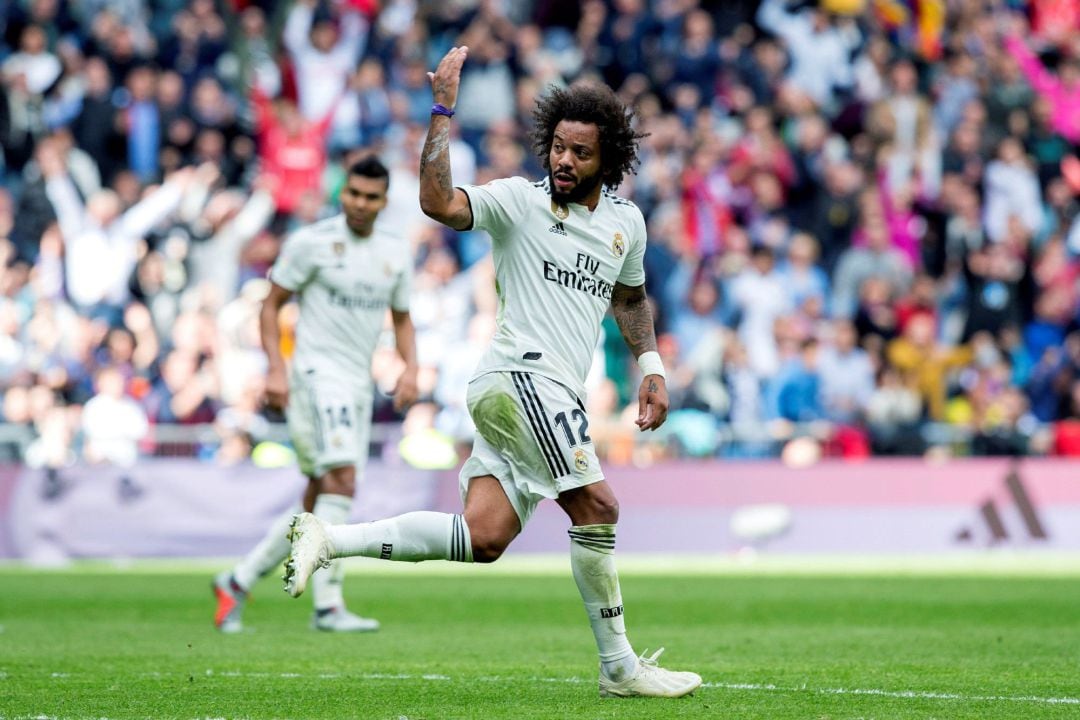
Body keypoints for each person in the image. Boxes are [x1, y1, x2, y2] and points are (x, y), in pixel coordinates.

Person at [284, 47, 701, 698]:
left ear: (609, 159)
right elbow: (438, 203)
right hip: (518, 378)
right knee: (598, 506)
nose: (564, 161)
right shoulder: (518, 203)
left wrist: (650, 364)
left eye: (580, 153)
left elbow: (629, 297)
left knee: (484, 537)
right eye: (558, 147)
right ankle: (620, 668)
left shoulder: (626, 224)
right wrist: (442, 112)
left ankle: (326, 538)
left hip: (542, 394)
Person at [212, 156, 419, 633]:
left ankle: (237, 581)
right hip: (315, 376)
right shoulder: (311, 244)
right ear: (341, 194)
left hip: (356, 381)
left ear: (385, 202)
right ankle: (328, 605)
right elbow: (271, 306)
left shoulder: (394, 252)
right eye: (354, 194)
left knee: (317, 496)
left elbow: (403, 317)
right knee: (343, 481)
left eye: (371, 197)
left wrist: (411, 367)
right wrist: (276, 370)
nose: (361, 204)